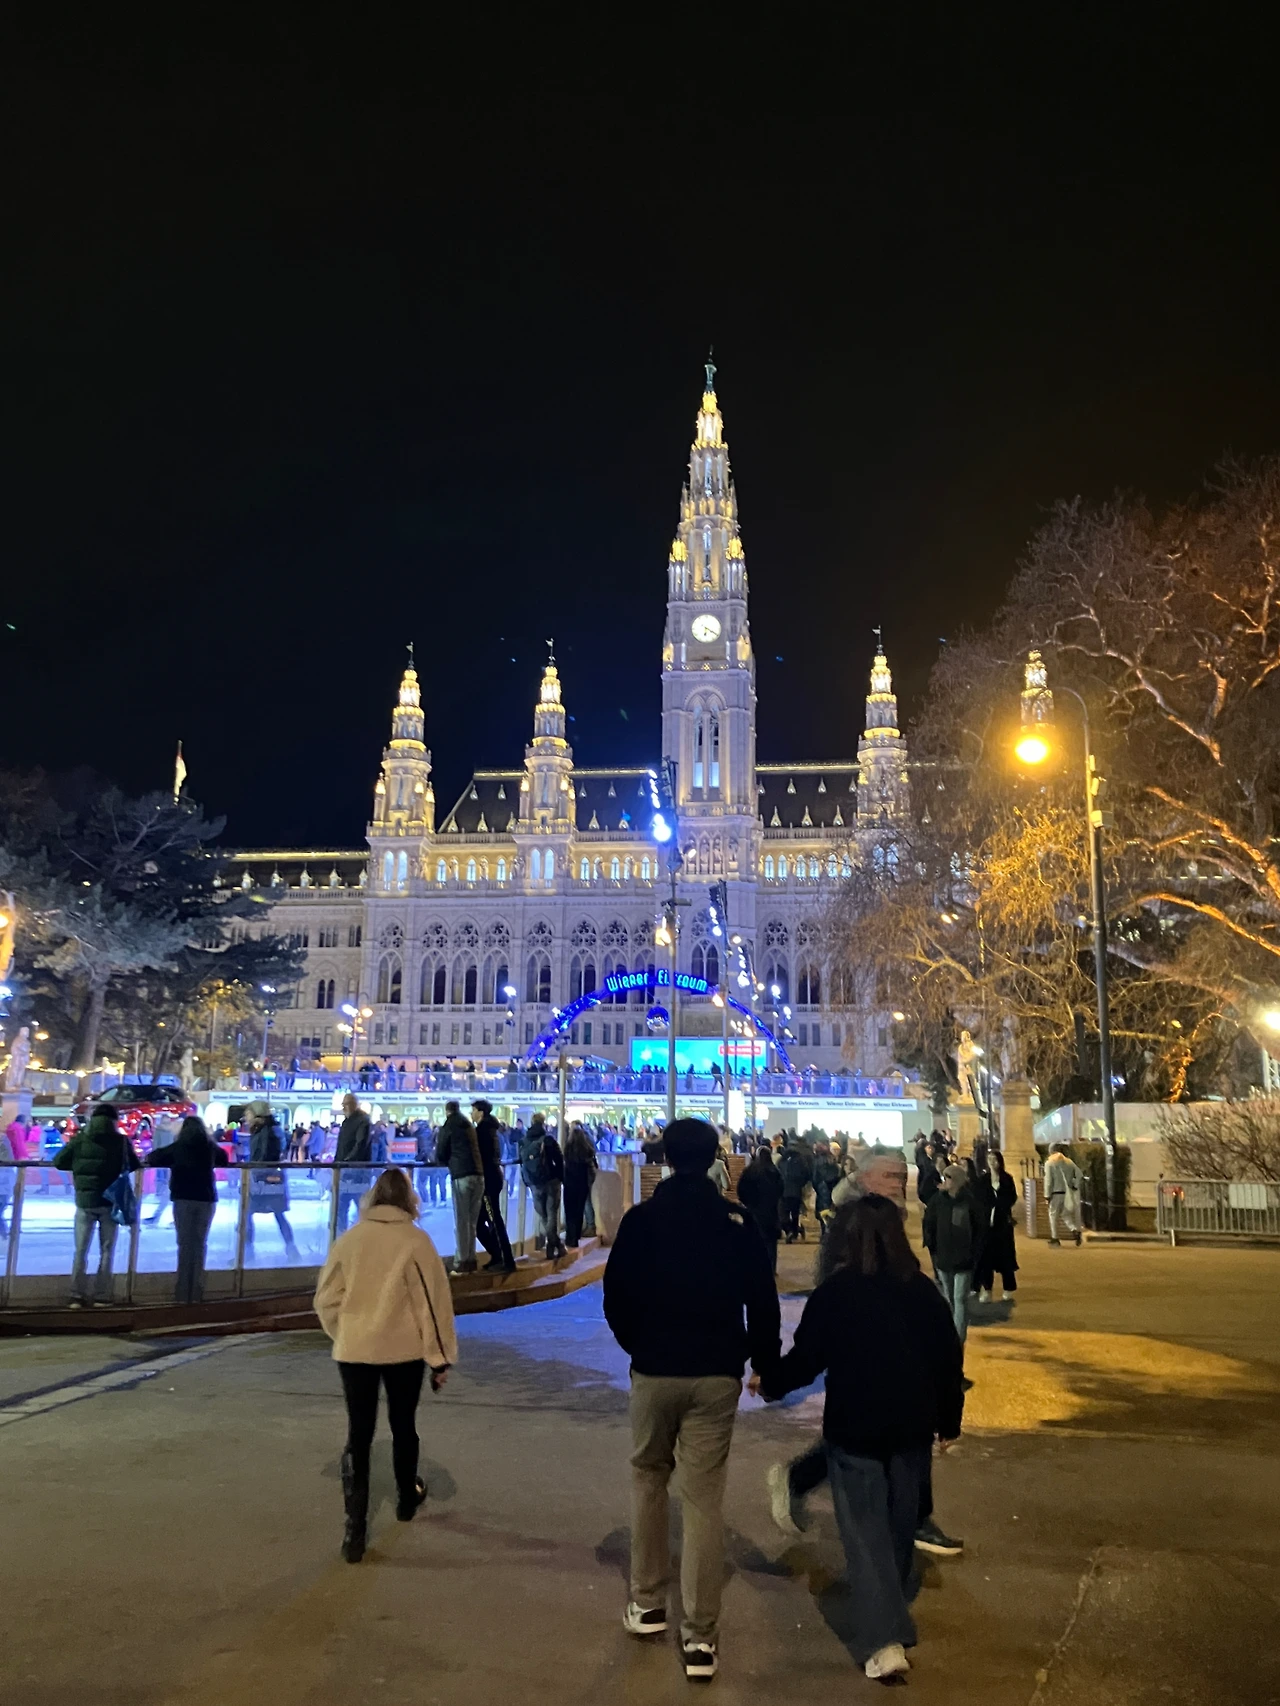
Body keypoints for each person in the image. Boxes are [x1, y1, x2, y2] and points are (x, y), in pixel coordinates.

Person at [603, 1118, 781, 1681]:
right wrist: (764, 1361)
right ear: (715, 1161)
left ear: (664, 1158)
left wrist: (638, 1344)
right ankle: (701, 1635)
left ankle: (647, 1601)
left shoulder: (642, 1220)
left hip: (655, 1368)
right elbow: (763, 1298)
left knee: (648, 1477)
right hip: (717, 1372)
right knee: (703, 1498)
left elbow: (615, 1295)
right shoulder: (737, 1222)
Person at [760, 1195, 964, 1681]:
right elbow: (947, 1361)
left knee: (866, 1533)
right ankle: (891, 1612)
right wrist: (949, 1422)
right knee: (897, 1527)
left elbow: (806, 1359)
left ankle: (883, 1637)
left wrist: (770, 1383)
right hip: (911, 1427)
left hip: (856, 1428)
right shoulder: (922, 1291)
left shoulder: (837, 1293)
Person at [313, 1167, 457, 1563]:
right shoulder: (416, 1241)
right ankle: (406, 1499)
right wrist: (439, 1359)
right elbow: (433, 1305)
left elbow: (325, 1299)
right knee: (403, 1424)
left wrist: (345, 1332)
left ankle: (354, 1530)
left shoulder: (350, 1240)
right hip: (403, 1351)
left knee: (358, 1434)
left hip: (354, 1351)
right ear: (409, 1200)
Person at [54, 1103, 141, 1307]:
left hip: (85, 1202)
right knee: (107, 1250)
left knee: (80, 1250)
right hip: (110, 1202)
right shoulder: (121, 1141)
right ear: (114, 1120)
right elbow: (134, 1164)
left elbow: (59, 1161)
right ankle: (102, 1295)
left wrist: (80, 1166)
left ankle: (76, 1295)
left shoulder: (81, 1139)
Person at [146, 1116, 230, 1303]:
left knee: (184, 1245)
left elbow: (153, 1157)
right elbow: (224, 1159)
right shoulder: (209, 1147)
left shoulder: (178, 1147)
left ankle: (183, 1293)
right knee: (199, 1245)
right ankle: (196, 1292)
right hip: (206, 1198)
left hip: (183, 1198)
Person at [922, 1162, 984, 1345]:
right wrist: (932, 1246)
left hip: (964, 1259)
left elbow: (980, 1229)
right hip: (943, 1257)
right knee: (949, 1299)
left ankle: (958, 1340)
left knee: (960, 1299)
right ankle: (950, 1335)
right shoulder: (938, 1201)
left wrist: (974, 1253)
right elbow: (929, 1223)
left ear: (957, 1180)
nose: (945, 1181)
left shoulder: (970, 1202)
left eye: (948, 1177)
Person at [244, 1100, 299, 1258]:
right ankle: (290, 1250)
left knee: (248, 1213)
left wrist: (255, 1170)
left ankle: (247, 1253)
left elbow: (264, 1155)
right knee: (274, 1214)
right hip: (266, 1177)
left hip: (264, 1179)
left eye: (248, 1113)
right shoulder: (266, 1129)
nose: (246, 1117)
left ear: (257, 1114)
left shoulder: (266, 1131)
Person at [435, 1099, 483, 1272]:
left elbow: (441, 1152)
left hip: (461, 1175)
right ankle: (471, 1258)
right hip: (478, 1174)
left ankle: (462, 1261)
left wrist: (443, 1160)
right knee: (472, 1221)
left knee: (462, 1220)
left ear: (447, 1111)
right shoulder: (468, 1125)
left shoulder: (449, 1126)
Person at [471, 1098, 517, 1272]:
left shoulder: (482, 1132)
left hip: (488, 1181)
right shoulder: (491, 1130)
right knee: (482, 1221)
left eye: (474, 1110)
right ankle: (498, 1255)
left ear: (481, 1112)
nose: (471, 1114)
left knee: (493, 1219)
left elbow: (481, 1156)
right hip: (492, 1178)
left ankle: (505, 1259)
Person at [974, 1148, 1019, 1299]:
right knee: (986, 1257)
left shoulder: (1007, 1179)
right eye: (990, 1159)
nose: (992, 1162)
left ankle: (1008, 1288)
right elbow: (978, 1198)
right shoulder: (983, 1180)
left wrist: (1000, 1204)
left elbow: (1012, 1197)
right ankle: (987, 1289)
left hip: (1002, 1223)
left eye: (995, 1159)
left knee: (1005, 1256)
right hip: (986, 1223)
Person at [519, 1114, 565, 1259]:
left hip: (535, 1183)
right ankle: (553, 1244)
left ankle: (553, 1243)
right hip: (551, 1181)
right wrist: (560, 1178)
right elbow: (559, 1159)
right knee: (551, 1213)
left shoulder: (524, 1141)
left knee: (543, 1215)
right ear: (543, 1123)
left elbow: (522, 1162)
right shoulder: (548, 1140)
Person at [735, 1143, 784, 1273]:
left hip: (753, 1210)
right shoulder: (775, 1171)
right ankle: (771, 1267)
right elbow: (781, 1189)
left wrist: (747, 1203)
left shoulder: (750, 1171)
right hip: (771, 1211)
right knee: (771, 1242)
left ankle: (755, 1266)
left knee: (754, 1239)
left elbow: (741, 1189)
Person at [334, 1093, 374, 1233]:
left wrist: (346, 1163)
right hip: (345, 1171)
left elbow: (360, 1145)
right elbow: (342, 1147)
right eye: (343, 1105)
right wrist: (337, 1164)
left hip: (357, 1173)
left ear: (354, 1105)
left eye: (346, 1104)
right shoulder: (347, 1121)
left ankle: (365, 1235)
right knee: (341, 1207)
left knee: (361, 1206)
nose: (343, 1108)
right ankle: (341, 1235)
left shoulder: (363, 1121)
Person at [562, 1120, 598, 1249]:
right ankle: (576, 1235)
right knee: (579, 1210)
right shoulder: (587, 1150)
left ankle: (570, 1236)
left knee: (570, 1210)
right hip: (583, 1183)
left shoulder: (568, 1149)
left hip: (570, 1183)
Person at [1044, 1145, 1083, 1246]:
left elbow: (1048, 1181)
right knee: (1065, 1214)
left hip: (1055, 1193)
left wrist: (1047, 1195)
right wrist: (1075, 1185)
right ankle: (1074, 1230)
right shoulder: (1069, 1162)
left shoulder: (1049, 1163)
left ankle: (1055, 1238)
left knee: (1053, 1216)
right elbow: (1079, 1174)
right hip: (1067, 1193)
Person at [777, 1139, 811, 1242]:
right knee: (784, 1215)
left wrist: (799, 1184)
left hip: (793, 1190)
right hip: (784, 1190)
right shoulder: (783, 1159)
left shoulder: (799, 1160)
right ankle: (792, 1231)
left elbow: (806, 1174)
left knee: (793, 1213)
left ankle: (793, 1232)